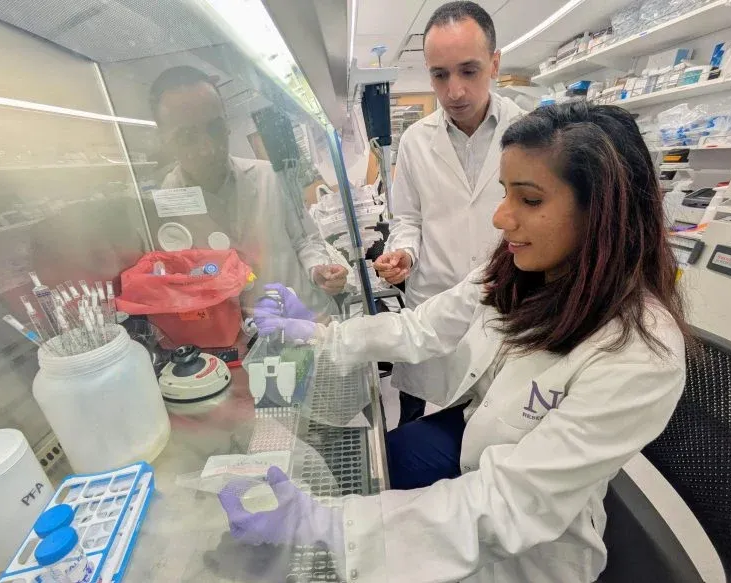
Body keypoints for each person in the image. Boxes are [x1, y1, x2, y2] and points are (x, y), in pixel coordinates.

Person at [220, 103, 689, 583]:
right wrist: (323, 336)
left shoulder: (641, 352)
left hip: (530, 545)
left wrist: (329, 528)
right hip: (474, 439)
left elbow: (509, 503)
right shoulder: (515, 271)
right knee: (386, 467)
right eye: (504, 193)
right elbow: (423, 327)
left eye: (529, 201)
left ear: (602, 210)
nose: (501, 217)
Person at [373, 1, 524, 424]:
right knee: (413, 416)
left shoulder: (530, 134)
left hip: (504, 304)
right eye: (439, 75)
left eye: (468, 70)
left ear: (495, 63)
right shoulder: (416, 141)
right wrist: (404, 253)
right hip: (433, 300)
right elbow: (408, 219)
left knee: (490, 421)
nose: (454, 90)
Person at [148, 66, 346, 314]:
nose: (207, 148)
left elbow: (305, 240)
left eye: (215, 129)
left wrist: (318, 269)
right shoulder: (165, 204)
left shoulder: (269, 177)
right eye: (187, 136)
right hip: (242, 339)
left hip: (309, 320)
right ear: (163, 139)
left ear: (227, 124)